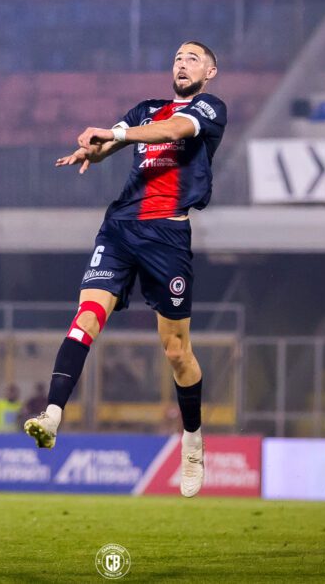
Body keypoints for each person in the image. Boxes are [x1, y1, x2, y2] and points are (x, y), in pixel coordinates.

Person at [24, 41, 226, 498]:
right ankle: (52, 415)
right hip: (119, 228)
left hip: (167, 237)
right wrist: (92, 150)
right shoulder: (145, 109)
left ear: (210, 72)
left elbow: (171, 129)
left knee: (176, 351)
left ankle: (192, 441)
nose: (182, 63)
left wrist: (118, 132)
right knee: (86, 317)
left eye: (193, 59)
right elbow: (111, 144)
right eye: (177, 57)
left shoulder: (210, 108)